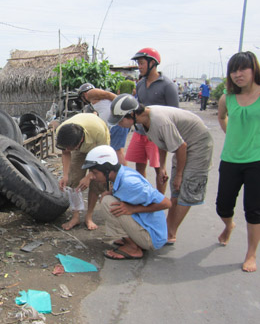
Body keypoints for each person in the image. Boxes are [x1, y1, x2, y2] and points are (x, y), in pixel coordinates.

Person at [109, 94, 213, 245]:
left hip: (198, 145)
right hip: (183, 145)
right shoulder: (144, 122)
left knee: (187, 187)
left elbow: (181, 146)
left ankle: (170, 233)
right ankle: (167, 229)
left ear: (131, 114)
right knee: (176, 191)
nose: (119, 124)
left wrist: (178, 175)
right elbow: (162, 142)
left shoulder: (158, 121)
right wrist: (162, 167)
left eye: (120, 120)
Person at [79, 145, 171, 260]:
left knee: (108, 203)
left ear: (108, 170)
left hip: (151, 238)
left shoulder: (130, 183)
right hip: (148, 229)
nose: (92, 177)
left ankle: (133, 247)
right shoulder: (121, 174)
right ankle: (130, 239)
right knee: (107, 197)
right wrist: (111, 191)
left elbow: (167, 203)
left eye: (95, 172)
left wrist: (133, 209)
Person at [216, 51, 260, 272]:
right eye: (234, 70)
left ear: (254, 69)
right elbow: (221, 116)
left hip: (256, 161)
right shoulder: (227, 98)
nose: (238, 74)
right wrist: (230, 135)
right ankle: (229, 225)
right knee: (222, 206)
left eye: (243, 68)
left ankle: (251, 254)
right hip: (230, 159)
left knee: (254, 210)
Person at [126, 48, 179, 194]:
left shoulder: (168, 86)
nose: (139, 66)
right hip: (140, 132)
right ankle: (144, 196)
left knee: (159, 169)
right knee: (139, 167)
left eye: (142, 63)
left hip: (158, 135)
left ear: (153, 64)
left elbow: (175, 113)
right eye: (138, 63)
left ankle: (159, 201)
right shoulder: (140, 84)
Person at [56, 113, 110, 230]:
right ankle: (75, 217)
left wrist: (90, 176)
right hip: (79, 144)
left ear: (80, 140)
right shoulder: (62, 132)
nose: (69, 150)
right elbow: (66, 152)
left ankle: (89, 216)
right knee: (72, 179)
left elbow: (103, 156)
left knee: (97, 182)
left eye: (71, 148)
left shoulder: (98, 131)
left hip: (98, 148)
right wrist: (65, 175)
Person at [77, 83, 130, 165]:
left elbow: (108, 94)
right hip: (116, 124)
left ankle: (123, 174)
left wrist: (120, 103)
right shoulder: (95, 102)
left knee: (117, 152)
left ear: (84, 94)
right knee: (116, 151)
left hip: (116, 124)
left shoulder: (91, 93)